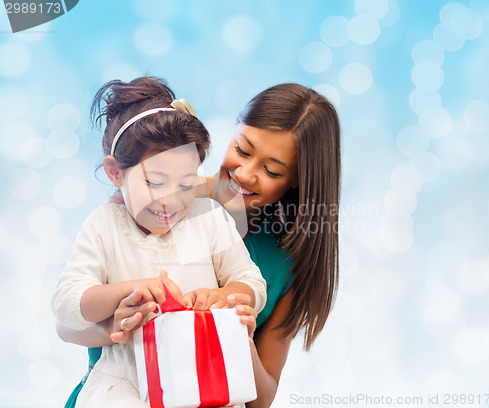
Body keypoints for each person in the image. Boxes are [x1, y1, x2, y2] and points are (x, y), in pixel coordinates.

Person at [56, 82, 341, 408]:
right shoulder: (147, 197)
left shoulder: (280, 260)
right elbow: (67, 320)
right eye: (243, 149)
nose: (245, 174)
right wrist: (118, 324)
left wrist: (237, 333)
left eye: (271, 170)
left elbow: (260, 401)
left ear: (298, 179)